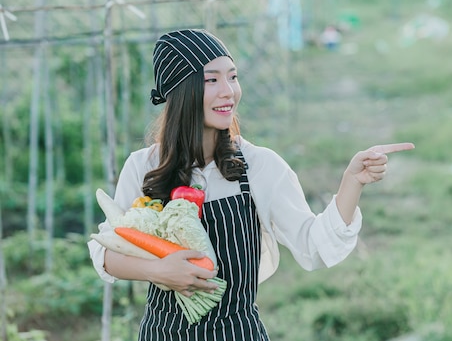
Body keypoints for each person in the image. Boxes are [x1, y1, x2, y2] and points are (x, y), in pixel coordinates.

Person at [87, 28, 414, 340]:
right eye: (211, 80)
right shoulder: (145, 166)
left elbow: (313, 246)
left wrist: (351, 183)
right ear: (181, 91)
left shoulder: (258, 166)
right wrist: (158, 271)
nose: (228, 90)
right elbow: (107, 253)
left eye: (232, 76)